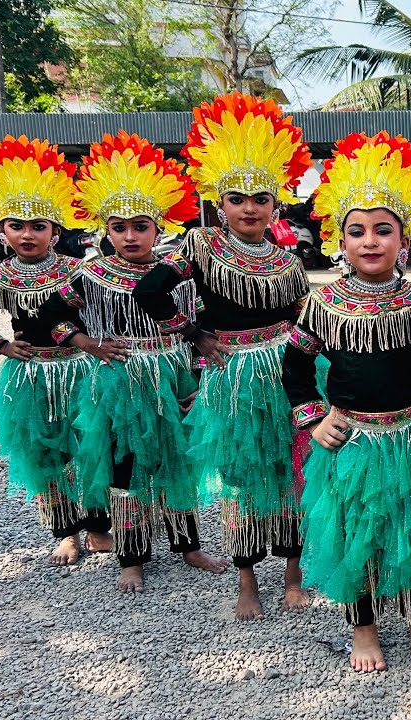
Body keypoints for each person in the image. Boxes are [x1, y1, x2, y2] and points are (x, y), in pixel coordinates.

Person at [282, 131, 411, 672]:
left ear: (403, 241)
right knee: (353, 534)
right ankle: (363, 630)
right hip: (351, 441)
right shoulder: (322, 303)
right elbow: (295, 367)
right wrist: (313, 419)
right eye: (357, 231)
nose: (370, 241)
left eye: (383, 230)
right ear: (340, 239)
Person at [133, 93, 313, 619]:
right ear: (220, 201)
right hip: (231, 378)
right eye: (237, 197)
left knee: (290, 469)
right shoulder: (199, 244)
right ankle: (246, 581)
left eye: (260, 196)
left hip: (284, 372)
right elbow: (149, 292)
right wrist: (193, 334)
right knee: (239, 477)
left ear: (276, 203)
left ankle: (294, 573)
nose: (249, 208)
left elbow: (306, 315)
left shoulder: (288, 257)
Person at [38, 131, 230, 592]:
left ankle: (188, 547)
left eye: (140, 226)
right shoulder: (90, 273)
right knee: (125, 466)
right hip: (120, 383)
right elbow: (49, 316)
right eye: (119, 227)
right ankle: (131, 558)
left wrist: (196, 375)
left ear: (158, 228)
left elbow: (200, 327)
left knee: (176, 462)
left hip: (173, 375)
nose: (130, 236)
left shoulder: (178, 270)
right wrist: (85, 341)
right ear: (106, 230)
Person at [0, 136, 111, 565]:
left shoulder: (79, 272)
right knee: (47, 454)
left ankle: (98, 528)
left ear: (56, 232)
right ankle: (66, 534)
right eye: (17, 226)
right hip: (32, 377)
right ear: (2, 231)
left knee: (92, 447)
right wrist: (1, 345)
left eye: (39, 226)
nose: (28, 234)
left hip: (81, 370)